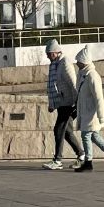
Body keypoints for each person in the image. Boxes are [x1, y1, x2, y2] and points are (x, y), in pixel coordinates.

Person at [74, 46, 104, 173]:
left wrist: (102, 117)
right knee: (94, 136)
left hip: (92, 113)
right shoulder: (83, 75)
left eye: (78, 61)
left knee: (86, 135)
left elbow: (99, 97)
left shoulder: (93, 76)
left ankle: (88, 162)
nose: (76, 63)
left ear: (84, 61)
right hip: (85, 111)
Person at [42, 37, 83, 170]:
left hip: (69, 103)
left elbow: (73, 83)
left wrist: (77, 103)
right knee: (67, 132)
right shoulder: (55, 64)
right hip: (61, 102)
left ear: (56, 52)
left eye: (50, 54)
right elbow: (52, 86)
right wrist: (52, 104)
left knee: (59, 129)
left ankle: (57, 160)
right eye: (47, 54)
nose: (48, 57)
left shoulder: (65, 63)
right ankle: (81, 155)